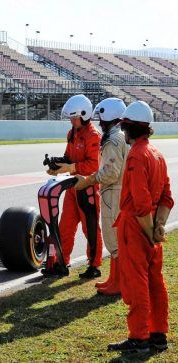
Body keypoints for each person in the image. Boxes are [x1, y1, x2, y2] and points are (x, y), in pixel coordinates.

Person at [108, 101, 173, 353]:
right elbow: (167, 197)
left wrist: (149, 233)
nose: (123, 133)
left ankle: (139, 338)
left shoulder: (137, 155)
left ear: (131, 128)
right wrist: (159, 228)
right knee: (156, 283)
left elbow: (140, 203)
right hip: (152, 227)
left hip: (136, 229)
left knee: (136, 284)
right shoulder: (157, 153)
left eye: (124, 128)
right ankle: (158, 335)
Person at [42, 94, 103, 278]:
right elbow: (68, 157)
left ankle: (94, 265)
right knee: (64, 227)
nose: (71, 120)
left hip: (88, 187)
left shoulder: (94, 136)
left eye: (74, 117)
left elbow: (94, 166)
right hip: (72, 188)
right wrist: (56, 164)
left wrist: (72, 167)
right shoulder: (72, 133)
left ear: (84, 115)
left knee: (90, 229)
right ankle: (61, 262)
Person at [75, 98, 128, 295]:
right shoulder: (119, 136)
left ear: (109, 117)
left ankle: (119, 283)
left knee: (113, 239)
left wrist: (89, 180)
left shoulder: (113, 140)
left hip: (113, 193)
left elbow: (110, 173)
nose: (99, 124)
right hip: (116, 192)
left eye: (102, 120)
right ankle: (114, 279)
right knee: (114, 239)